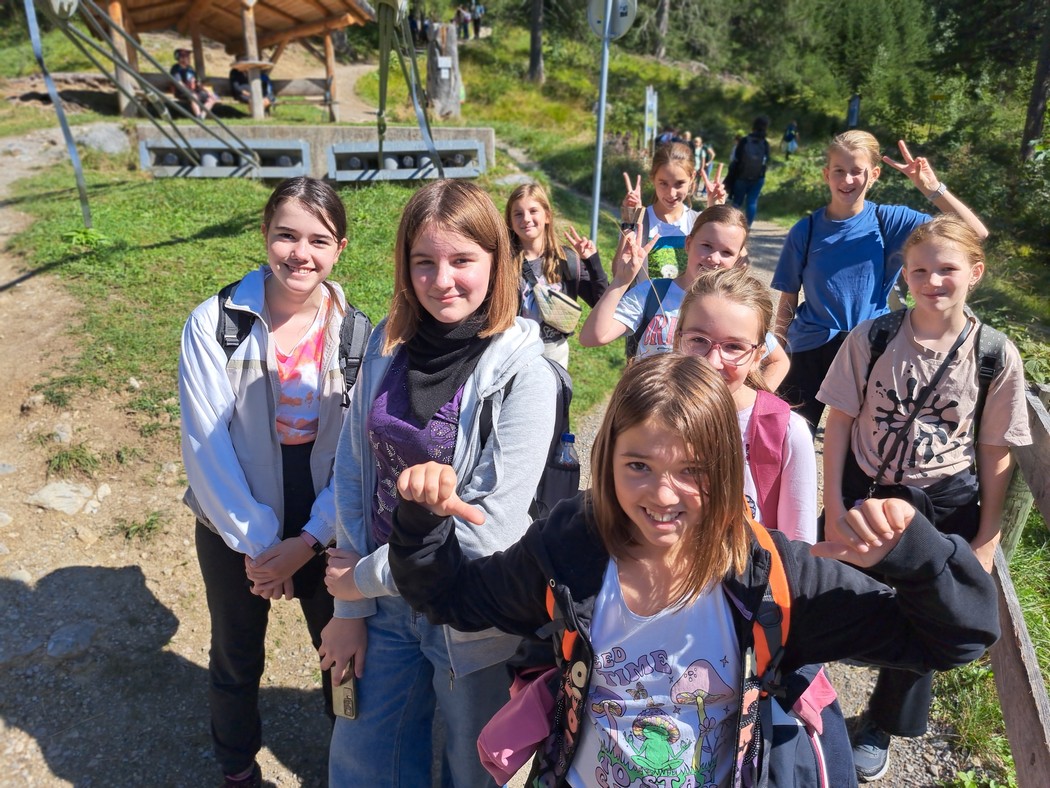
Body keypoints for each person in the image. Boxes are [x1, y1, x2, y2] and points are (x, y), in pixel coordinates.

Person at [384, 352, 999, 787]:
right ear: (607, 460)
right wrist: (421, 521)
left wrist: (917, 555)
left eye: (693, 471)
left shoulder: (770, 579)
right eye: (639, 466)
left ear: (727, 471)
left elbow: (956, 638)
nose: (663, 495)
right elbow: (453, 598)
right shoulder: (571, 549)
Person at [317, 180, 558, 787]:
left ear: (497, 261)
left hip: (471, 614)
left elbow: (491, 530)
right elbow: (354, 470)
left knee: (472, 770)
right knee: (362, 761)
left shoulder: (528, 373)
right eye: (423, 261)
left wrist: (361, 577)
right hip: (382, 608)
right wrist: (350, 608)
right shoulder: (387, 345)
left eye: (462, 260)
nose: (442, 280)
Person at [818, 215, 1031, 782]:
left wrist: (986, 539)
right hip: (866, 486)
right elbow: (839, 421)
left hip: (942, 501)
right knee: (829, 592)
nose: (932, 281)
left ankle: (882, 724)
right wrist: (834, 505)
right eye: (919, 271)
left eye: (947, 269)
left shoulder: (994, 354)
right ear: (904, 276)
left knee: (927, 612)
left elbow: (995, 451)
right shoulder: (873, 338)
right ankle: (805, 690)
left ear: (975, 273)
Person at [179, 177, 354, 788]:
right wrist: (259, 546)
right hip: (233, 504)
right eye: (286, 235)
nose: (300, 254)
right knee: (235, 652)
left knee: (343, 652)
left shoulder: (357, 332)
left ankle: (350, 761)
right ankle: (237, 769)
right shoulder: (214, 323)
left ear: (339, 248)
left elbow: (357, 457)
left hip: (327, 510)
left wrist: (309, 539)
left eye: (319, 240)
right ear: (264, 235)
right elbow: (206, 445)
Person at [771, 131, 989, 432]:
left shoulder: (890, 221)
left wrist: (931, 188)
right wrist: (776, 349)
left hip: (869, 346)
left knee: (864, 440)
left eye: (857, 171)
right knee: (788, 434)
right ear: (826, 174)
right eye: (839, 170)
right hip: (810, 346)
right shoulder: (805, 230)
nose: (848, 180)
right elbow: (788, 297)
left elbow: (975, 232)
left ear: (873, 175)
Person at [674, 267, 812, 537]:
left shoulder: (787, 432)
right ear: (678, 339)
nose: (712, 362)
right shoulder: (649, 415)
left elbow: (798, 548)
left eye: (734, 347)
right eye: (698, 340)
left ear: (758, 356)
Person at [579, 204, 750, 361]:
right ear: (688, 243)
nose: (714, 258)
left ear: (737, 258)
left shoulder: (739, 308)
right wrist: (621, 281)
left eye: (727, 252)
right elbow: (592, 337)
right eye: (706, 246)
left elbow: (764, 359)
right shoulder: (651, 292)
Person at [505, 182, 609, 368]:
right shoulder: (503, 262)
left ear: (547, 216)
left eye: (533, 211)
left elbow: (600, 302)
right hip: (514, 351)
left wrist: (593, 263)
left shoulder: (566, 259)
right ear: (510, 222)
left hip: (555, 353)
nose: (526, 219)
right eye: (518, 214)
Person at [620, 142, 720, 280]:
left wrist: (716, 209)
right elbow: (618, 273)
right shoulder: (640, 221)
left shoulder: (698, 222)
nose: (671, 193)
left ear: (692, 178)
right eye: (663, 183)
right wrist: (629, 221)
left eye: (679, 183)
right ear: (653, 178)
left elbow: (721, 268)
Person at [726, 115, 771, 226]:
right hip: (758, 177)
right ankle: (748, 227)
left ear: (753, 126)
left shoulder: (745, 141)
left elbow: (736, 158)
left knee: (737, 201)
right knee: (752, 202)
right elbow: (767, 160)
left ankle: (733, 225)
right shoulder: (765, 143)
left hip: (741, 176)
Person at [170, 47, 217, 119]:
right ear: (180, 58)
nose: (189, 58)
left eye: (188, 56)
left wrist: (208, 91)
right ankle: (198, 116)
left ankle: (202, 116)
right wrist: (190, 91)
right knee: (194, 96)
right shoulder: (176, 69)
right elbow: (179, 84)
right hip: (181, 91)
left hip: (193, 91)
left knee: (212, 97)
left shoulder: (190, 69)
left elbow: (198, 83)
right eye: (186, 57)